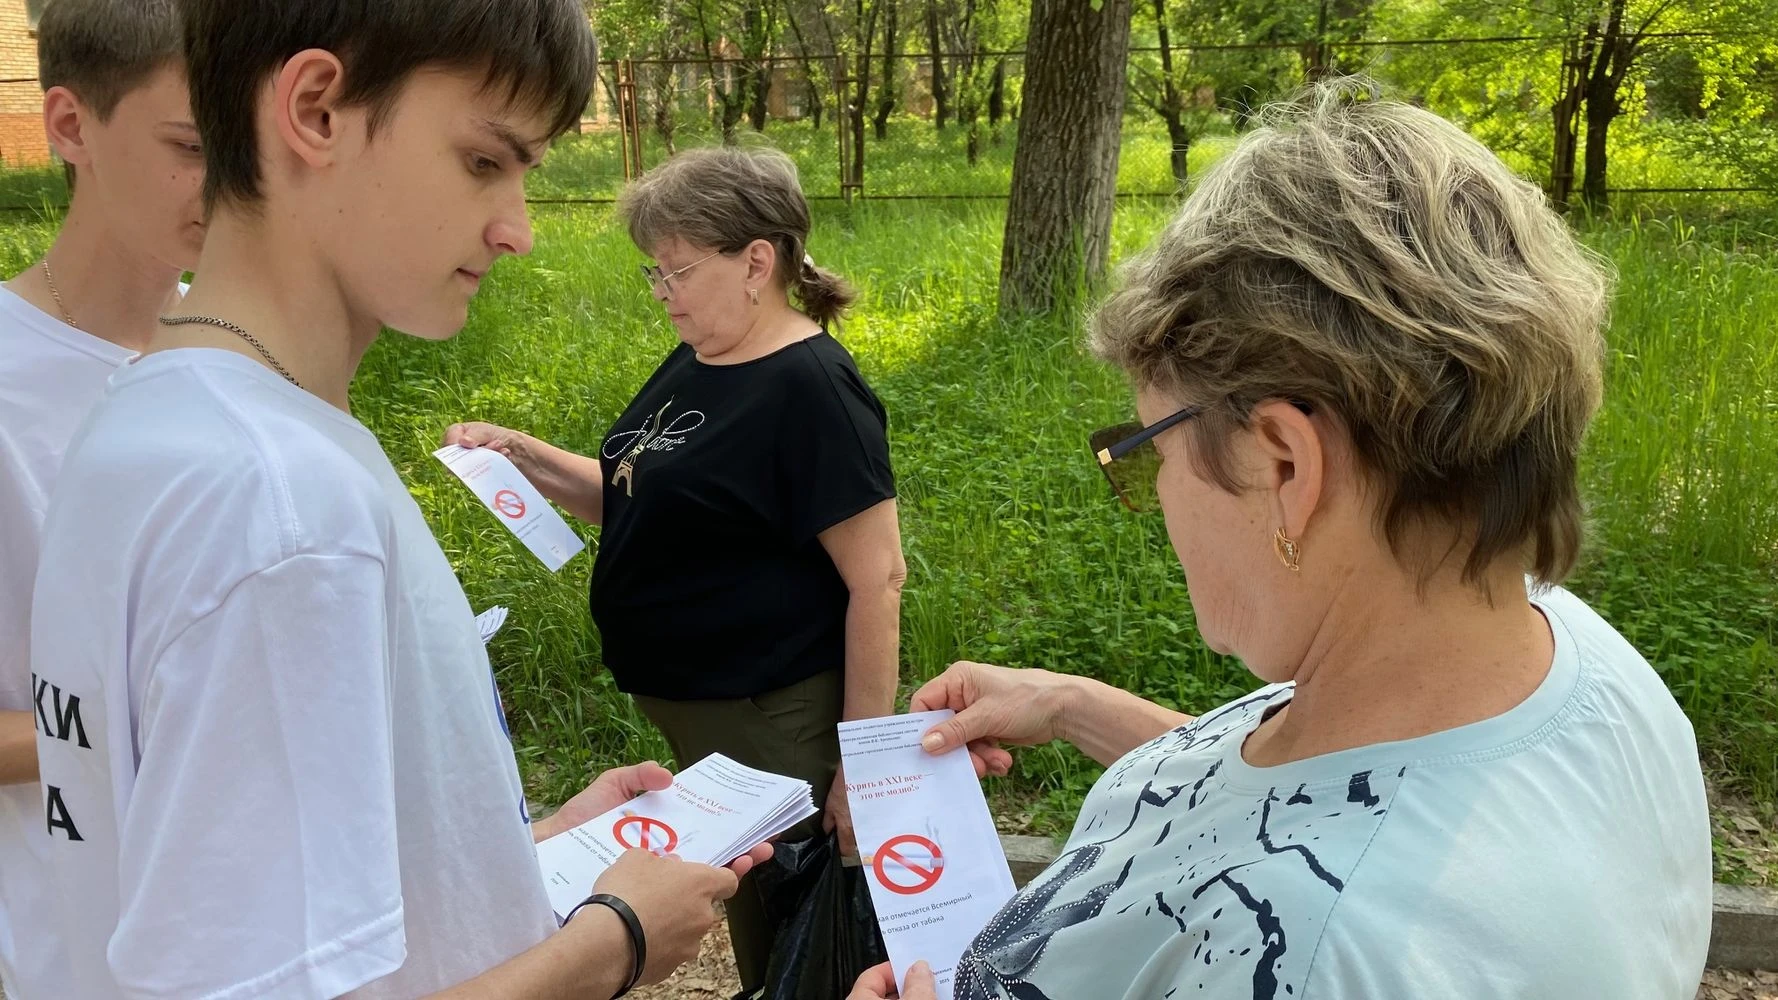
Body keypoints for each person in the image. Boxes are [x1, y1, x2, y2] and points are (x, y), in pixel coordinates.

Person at [851, 80, 1711, 1000]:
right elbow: (1329, 805)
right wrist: (1072, 705)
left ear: (1285, 466)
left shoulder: (1307, 962)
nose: (1153, 495)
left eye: (1151, 451)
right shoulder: (1560, 654)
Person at [28, 2, 767, 997]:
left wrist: (514, 849)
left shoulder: (157, 417)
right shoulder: (282, 504)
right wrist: (614, 943)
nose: (517, 232)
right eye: (482, 160)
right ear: (316, 110)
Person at [445, 145, 906, 995]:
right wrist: (522, 453)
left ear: (756, 262)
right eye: (654, 273)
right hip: (697, 708)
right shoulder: (702, 355)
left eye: (677, 271)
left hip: (769, 714)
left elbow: (876, 579)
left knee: (791, 923)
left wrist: (863, 762)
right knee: (752, 898)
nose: (662, 293)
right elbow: (637, 496)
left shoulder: (811, 387)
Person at [0, 2, 202, 996]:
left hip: (243, 917)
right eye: (192, 146)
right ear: (72, 126)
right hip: (73, 938)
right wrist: (173, 719)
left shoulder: (243, 356)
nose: (236, 184)